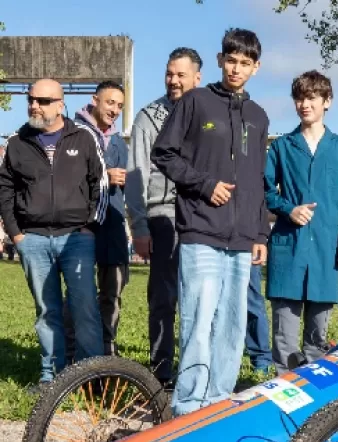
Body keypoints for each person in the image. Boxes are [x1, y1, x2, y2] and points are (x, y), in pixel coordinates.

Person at [152, 29, 270, 415]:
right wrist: (204, 185)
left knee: (233, 326)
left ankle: (218, 403)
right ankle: (187, 407)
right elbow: (164, 153)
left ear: (256, 67)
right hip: (201, 229)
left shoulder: (259, 116)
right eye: (230, 60)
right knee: (199, 321)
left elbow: (257, 181)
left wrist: (260, 233)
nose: (236, 69)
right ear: (220, 60)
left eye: (245, 63)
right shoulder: (195, 102)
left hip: (240, 239)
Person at [0, 79, 107, 383]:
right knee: (46, 311)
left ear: (60, 104)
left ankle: (90, 378)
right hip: (32, 238)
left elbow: (100, 185)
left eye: (43, 100)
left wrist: (89, 227)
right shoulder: (17, 142)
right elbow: (4, 189)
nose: (35, 105)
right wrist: (16, 234)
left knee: (85, 308)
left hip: (77, 237)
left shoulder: (84, 137)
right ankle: (52, 379)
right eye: (31, 99)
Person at [266, 70, 338, 373]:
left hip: (326, 253)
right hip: (288, 251)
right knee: (284, 339)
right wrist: (288, 209)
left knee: (318, 339)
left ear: (327, 101)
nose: (304, 104)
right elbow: (264, 190)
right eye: (299, 98)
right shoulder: (281, 147)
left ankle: (314, 406)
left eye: (311, 98)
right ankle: (283, 400)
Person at [127, 47, 202, 385]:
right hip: (163, 215)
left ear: (197, 78)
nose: (172, 80)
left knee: (199, 298)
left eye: (180, 75)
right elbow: (136, 174)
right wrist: (140, 225)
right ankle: (161, 374)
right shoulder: (148, 117)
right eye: (169, 73)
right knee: (163, 298)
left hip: (202, 216)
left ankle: (196, 372)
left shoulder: (210, 114)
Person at [69, 81, 129, 356]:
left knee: (112, 291)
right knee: (79, 295)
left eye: (119, 105)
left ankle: (107, 351)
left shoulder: (118, 141)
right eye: (109, 103)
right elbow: (65, 177)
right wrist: (105, 176)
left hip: (113, 223)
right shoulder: (72, 133)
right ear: (95, 100)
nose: (115, 110)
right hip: (80, 224)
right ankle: (73, 355)